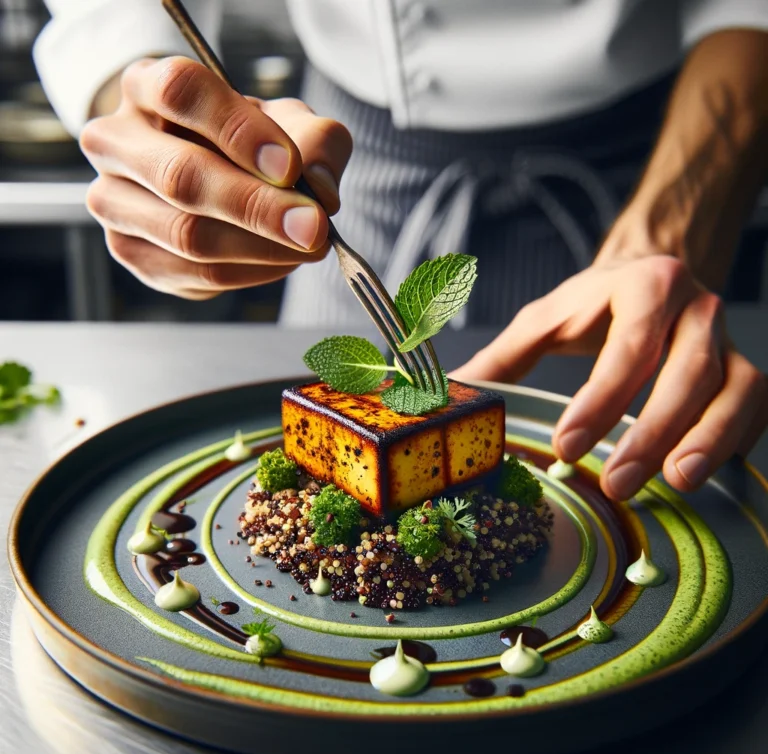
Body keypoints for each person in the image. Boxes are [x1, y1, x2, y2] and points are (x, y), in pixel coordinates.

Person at [34, 1, 768, 502]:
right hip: (352, 172)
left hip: (657, 157)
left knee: (648, 483)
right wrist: (160, 119)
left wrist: (669, 231)